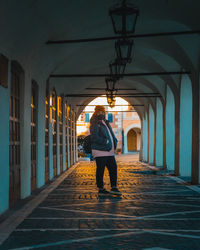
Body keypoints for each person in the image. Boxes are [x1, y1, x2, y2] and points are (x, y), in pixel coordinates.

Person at [90, 105, 121, 195]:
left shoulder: (105, 122)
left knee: (113, 168)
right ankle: (101, 189)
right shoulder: (95, 123)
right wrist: (106, 141)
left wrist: (114, 141)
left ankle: (114, 187)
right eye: (100, 112)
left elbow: (110, 133)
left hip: (109, 151)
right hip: (100, 151)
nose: (102, 114)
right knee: (101, 170)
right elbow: (94, 137)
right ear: (96, 113)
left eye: (103, 112)